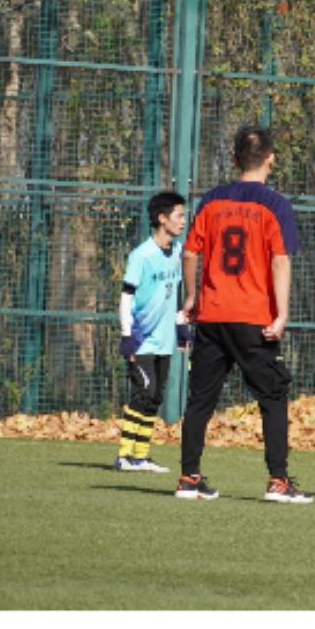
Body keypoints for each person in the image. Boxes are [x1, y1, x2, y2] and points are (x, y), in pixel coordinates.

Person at [176, 125, 306, 501]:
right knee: (272, 397)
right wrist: (282, 314)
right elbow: (280, 261)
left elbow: (189, 252)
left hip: (213, 316)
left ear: (234, 159)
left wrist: (191, 297)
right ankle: (278, 481)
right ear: (271, 159)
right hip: (253, 319)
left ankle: (188, 477)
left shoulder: (212, 200)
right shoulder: (275, 205)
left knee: (200, 399)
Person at [115, 190, 190, 472]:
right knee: (144, 392)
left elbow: (176, 293)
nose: (183, 221)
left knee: (156, 396)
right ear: (162, 218)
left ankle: (141, 456)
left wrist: (181, 327)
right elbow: (126, 296)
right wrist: (127, 336)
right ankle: (124, 456)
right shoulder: (141, 255)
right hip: (141, 341)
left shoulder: (178, 252)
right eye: (178, 216)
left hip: (164, 340)